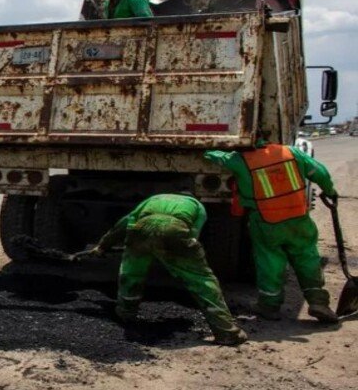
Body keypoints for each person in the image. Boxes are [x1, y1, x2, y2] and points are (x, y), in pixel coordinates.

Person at [86, 193, 247, 346]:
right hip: (174, 229)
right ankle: (226, 332)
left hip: (141, 229)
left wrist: (102, 246)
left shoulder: (152, 200)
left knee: (131, 272)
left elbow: (123, 224)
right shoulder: (198, 207)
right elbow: (192, 236)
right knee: (202, 279)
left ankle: (125, 314)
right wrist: (174, 263)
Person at [205, 142, 339, 323]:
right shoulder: (290, 152)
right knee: (307, 257)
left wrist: (206, 148)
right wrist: (330, 191)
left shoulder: (239, 160)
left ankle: (269, 306)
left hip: (266, 222)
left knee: (270, 261)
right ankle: (318, 302)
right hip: (298, 219)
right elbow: (320, 172)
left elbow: (214, 155)